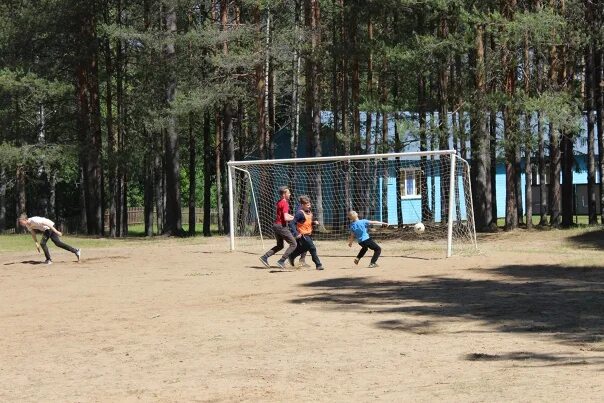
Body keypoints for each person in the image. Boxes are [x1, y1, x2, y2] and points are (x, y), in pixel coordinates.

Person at [259, 186, 296, 269]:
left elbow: (284, 215)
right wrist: (293, 218)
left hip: (276, 226)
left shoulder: (279, 202)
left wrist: (292, 216)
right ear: (284, 194)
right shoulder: (285, 203)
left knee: (280, 246)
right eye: (288, 193)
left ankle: (264, 257)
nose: (290, 194)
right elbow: (286, 218)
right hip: (281, 227)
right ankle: (281, 261)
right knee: (293, 244)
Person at [288, 195, 324, 270]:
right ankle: (318, 265)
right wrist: (296, 233)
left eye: (309, 204)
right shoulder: (300, 213)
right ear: (302, 205)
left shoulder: (309, 212)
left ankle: (292, 256)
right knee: (312, 248)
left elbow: (306, 222)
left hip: (309, 234)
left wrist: (313, 222)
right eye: (307, 205)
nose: (309, 206)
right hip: (302, 235)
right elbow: (292, 223)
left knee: (304, 249)